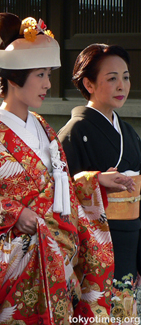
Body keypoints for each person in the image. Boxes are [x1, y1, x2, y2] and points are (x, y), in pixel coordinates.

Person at [0, 9, 134, 325]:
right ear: (15, 79)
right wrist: (16, 213)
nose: (47, 84)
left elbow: (62, 188)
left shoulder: (44, 127)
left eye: (47, 74)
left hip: (60, 253)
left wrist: (94, 182)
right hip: (21, 261)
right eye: (40, 75)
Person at [58, 44, 141, 320]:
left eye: (126, 77)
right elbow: (59, 191)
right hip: (93, 248)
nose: (122, 85)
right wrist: (95, 181)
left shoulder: (128, 133)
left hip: (129, 242)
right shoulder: (74, 132)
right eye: (112, 78)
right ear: (88, 83)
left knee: (123, 311)